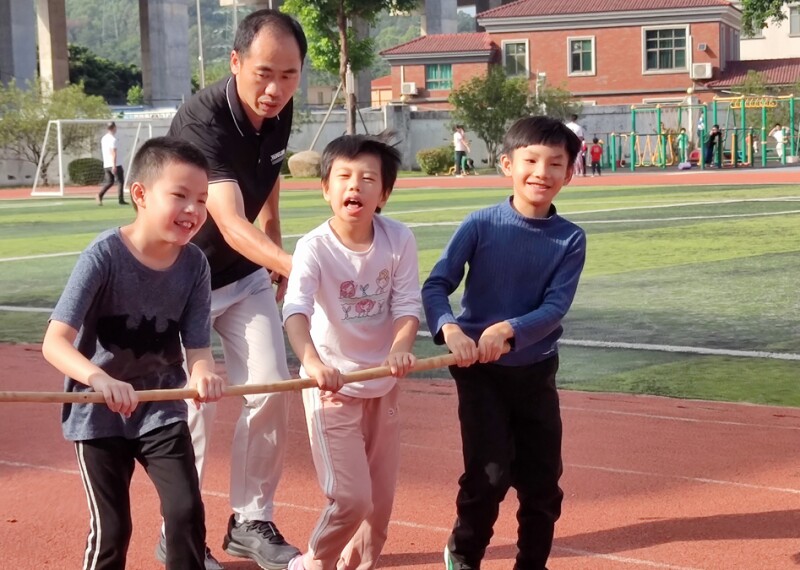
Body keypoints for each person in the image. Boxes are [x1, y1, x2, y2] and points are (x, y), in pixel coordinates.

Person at [41, 137, 226, 570]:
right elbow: (55, 341)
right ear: (140, 194)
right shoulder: (104, 255)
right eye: (179, 195)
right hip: (97, 414)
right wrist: (99, 380)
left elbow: (197, 347)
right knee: (113, 529)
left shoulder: (195, 264)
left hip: (159, 408)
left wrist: (202, 374)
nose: (193, 210)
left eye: (201, 199)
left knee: (185, 512)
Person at [165, 8, 306, 569]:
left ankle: (249, 520)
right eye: (264, 73)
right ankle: (182, 531)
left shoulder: (282, 109)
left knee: (271, 386)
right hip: (184, 278)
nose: (275, 89)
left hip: (244, 277)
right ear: (235, 62)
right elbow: (226, 220)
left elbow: (267, 183)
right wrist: (300, 267)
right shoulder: (204, 123)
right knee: (195, 406)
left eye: (290, 75)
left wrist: (274, 244)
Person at [422, 116, 586, 570]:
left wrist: (509, 328)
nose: (542, 172)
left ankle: (532, 564)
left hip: (535, 372)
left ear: (570, 173)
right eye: (531, 160)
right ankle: (464, 554)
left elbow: (555, 308)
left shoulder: (570, 238)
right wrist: (451, 330)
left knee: (542, 482)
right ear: (507, 164)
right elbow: (437, 286)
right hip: (480, 372)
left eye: (556, 164)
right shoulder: (481, 224)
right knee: (489, 475)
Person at [282, 133, 421, 570]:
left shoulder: (398, 239)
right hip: (333, 387)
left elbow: (406, 304)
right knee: (351, 499)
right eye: (343, 176)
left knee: (378, 511)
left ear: (384, 193)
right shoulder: (314, 247)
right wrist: (312, 364)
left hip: (382, 385)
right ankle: (313, 563)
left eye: (367, 178)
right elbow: (295, 310)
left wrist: (400, 349)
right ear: (326, 188)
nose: (354, 186)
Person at [97, 121, 128, 206]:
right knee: (120, 181)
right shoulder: (113, 140)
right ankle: (121, 200)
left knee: (110, 182)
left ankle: (100, 195)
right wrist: (114, 165)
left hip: (106, 164)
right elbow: (113, 153)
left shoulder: (104, 138)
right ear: (114, 127)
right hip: (115, 164)